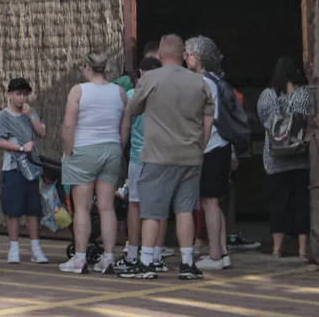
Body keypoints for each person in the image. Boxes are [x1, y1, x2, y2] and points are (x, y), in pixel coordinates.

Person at [119, 34, 214, 281]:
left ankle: (147, 261)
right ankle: (187, 263)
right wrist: (199, 147)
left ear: (160, 56)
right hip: (190, 156)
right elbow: (208, 121)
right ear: (183, 55)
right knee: (185, 210)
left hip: (158, 155)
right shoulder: (199, 82)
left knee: (152, 211)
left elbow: (135, 108)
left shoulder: (151, 79)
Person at [60, 52, 126, 274]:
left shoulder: (79, 91)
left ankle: (79, 259)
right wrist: (118, 147)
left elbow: (69, 125)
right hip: (112, 148)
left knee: (82, 208)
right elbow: (124, 128)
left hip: (85, 149)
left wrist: (69, 152)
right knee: (107, 206)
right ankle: (107, 258)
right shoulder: (120, 92)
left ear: (87, 67)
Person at [184, 36, 233, 270]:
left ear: (199, 57)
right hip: (219, 146)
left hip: (209, 147)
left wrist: (197, 148)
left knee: (209, 203)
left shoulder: (203, 82)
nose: (185, 57)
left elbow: (204, 119)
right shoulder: (214, 80)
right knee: (214, 202)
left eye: (189, 53)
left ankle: (214, 255)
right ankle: (222, 252)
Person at [257, 56, 312, 261]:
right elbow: (301, 116)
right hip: (300, 158)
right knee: (301, 204)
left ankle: (277, 249)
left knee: (278, 204)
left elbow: (268, 121)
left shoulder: (267, 96)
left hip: (275, 159)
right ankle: (302, 250)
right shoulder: (303, 94)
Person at [0, 76, 48, 264]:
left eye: (25, 94)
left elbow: (42, 133)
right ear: (10, 94)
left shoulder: (30, 113)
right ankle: (14, 247)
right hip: (12, 167)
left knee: (33, 209)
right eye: (18, 94)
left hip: (31, 168)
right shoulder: (3, 115)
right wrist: (19, 148)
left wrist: (31, 115)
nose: (22, 98)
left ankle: (35, 247)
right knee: (14, 209)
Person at [117, 55, 162, 271]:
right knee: (158, 208)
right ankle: (156, 255)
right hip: (161, 157)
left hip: (137, 157)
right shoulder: (166, 96)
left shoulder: (132, 95)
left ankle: (133, 253)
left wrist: (120, 149)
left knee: (134, 205)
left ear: (141, 74)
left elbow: (125, 127)